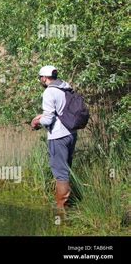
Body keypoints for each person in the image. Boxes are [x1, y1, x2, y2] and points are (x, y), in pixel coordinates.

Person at [31, 65, 77, 212]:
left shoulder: (49, 92)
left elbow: (48, 120)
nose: (40, 80)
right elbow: (59, 112)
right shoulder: (66, 87)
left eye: (40, 78)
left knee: (60, 171)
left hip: (58, 136)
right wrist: (42, 116)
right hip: (71, 133)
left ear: (44, 78)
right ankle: (66, 203)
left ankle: (61, 208)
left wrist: (37, 121)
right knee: (66, 168)